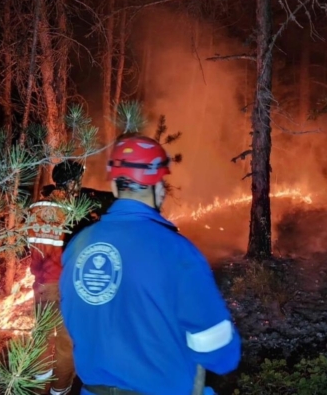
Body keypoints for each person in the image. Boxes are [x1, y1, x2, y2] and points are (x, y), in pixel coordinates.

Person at [59, 135, 242, 395]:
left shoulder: (78, 246)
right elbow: (219, 352)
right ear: (158, 187)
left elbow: (72, 320)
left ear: (114, 186)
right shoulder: (177, 252)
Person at [27, 160, 111, 395]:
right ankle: (59, 390)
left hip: (41, 285)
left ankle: (37, 386)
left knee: (42, 335)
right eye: (78, 182)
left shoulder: (35, 207)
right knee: (67, 342)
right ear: (73, 183)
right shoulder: (73, 213)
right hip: (66, 287)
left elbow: (29, 245)